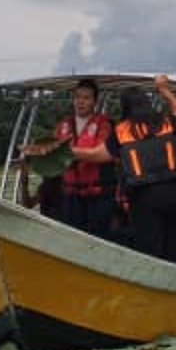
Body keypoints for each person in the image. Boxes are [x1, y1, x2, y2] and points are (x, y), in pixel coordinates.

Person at [72, 75, 176, 260]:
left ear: (124, 107)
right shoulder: (166, 122)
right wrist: (164, 89)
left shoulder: (122, 131)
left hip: (145, 196)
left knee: (150, 249)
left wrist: (68, 151)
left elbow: (96, 155)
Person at [46, 79, 116, 236]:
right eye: (77, 97)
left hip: (99, 195)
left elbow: (101, 154)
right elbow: (53, 156)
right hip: (71, 195)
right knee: (71, 236)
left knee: (98, 238)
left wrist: (65, 151)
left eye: (86, 98)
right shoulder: (62, 125)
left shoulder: (105, 125)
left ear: (94, 101)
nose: (81, 102)